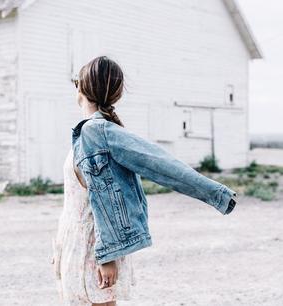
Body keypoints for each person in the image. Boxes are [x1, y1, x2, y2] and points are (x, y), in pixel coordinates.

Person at [51, 56, 237, 306]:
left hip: (96, 247)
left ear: (83, 88)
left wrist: (107, 257)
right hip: (77, 242)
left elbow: (160, 165)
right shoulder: (87, 132)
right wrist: (61, 244)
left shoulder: (97, 132)